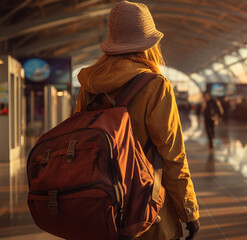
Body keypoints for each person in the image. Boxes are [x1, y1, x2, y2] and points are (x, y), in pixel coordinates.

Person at [73, 2, 199, 239]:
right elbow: (173, 156)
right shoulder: (156, 85)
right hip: (146, 210)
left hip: (100, 206)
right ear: (149, 44)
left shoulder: (88, 86)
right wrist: (188, 210)